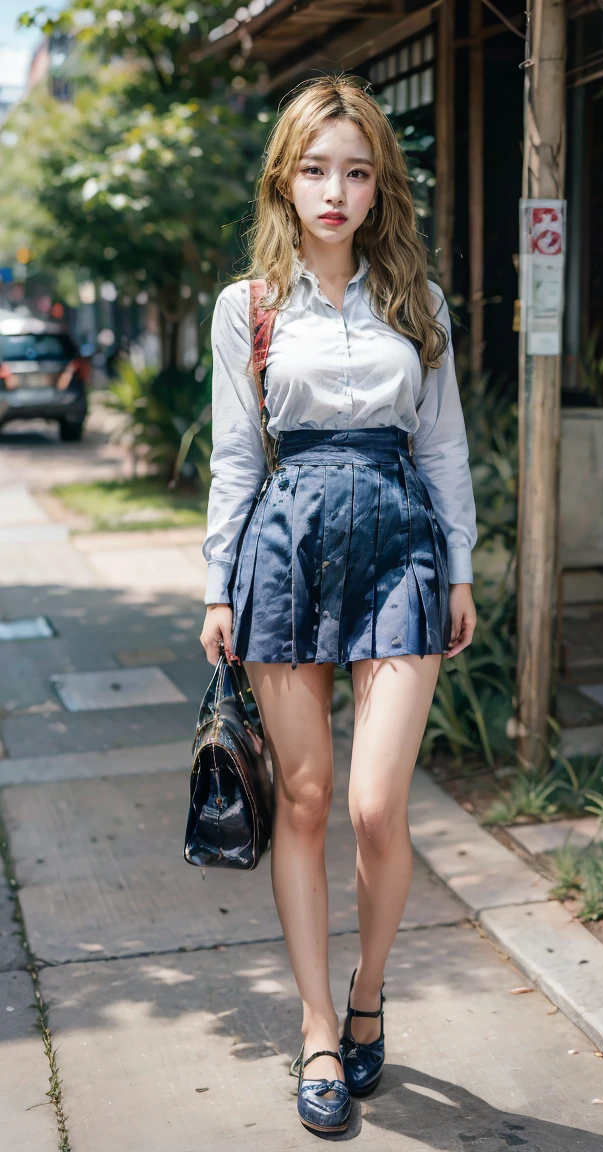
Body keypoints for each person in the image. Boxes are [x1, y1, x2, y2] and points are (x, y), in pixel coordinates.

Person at [200, 75, 477, 1135]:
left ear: (377, 188)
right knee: (306, 803)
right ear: (287, 178)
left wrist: (459, 571)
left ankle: (370, 996)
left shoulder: (418, 300)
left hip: (402, 543)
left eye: (356, 171)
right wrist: (217, 586)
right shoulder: (250, 307)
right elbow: (236, 456)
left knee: (375, 807)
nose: (335, 189)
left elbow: (444, 445)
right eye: (316, 168)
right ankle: (320, 1026)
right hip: (289, 545)